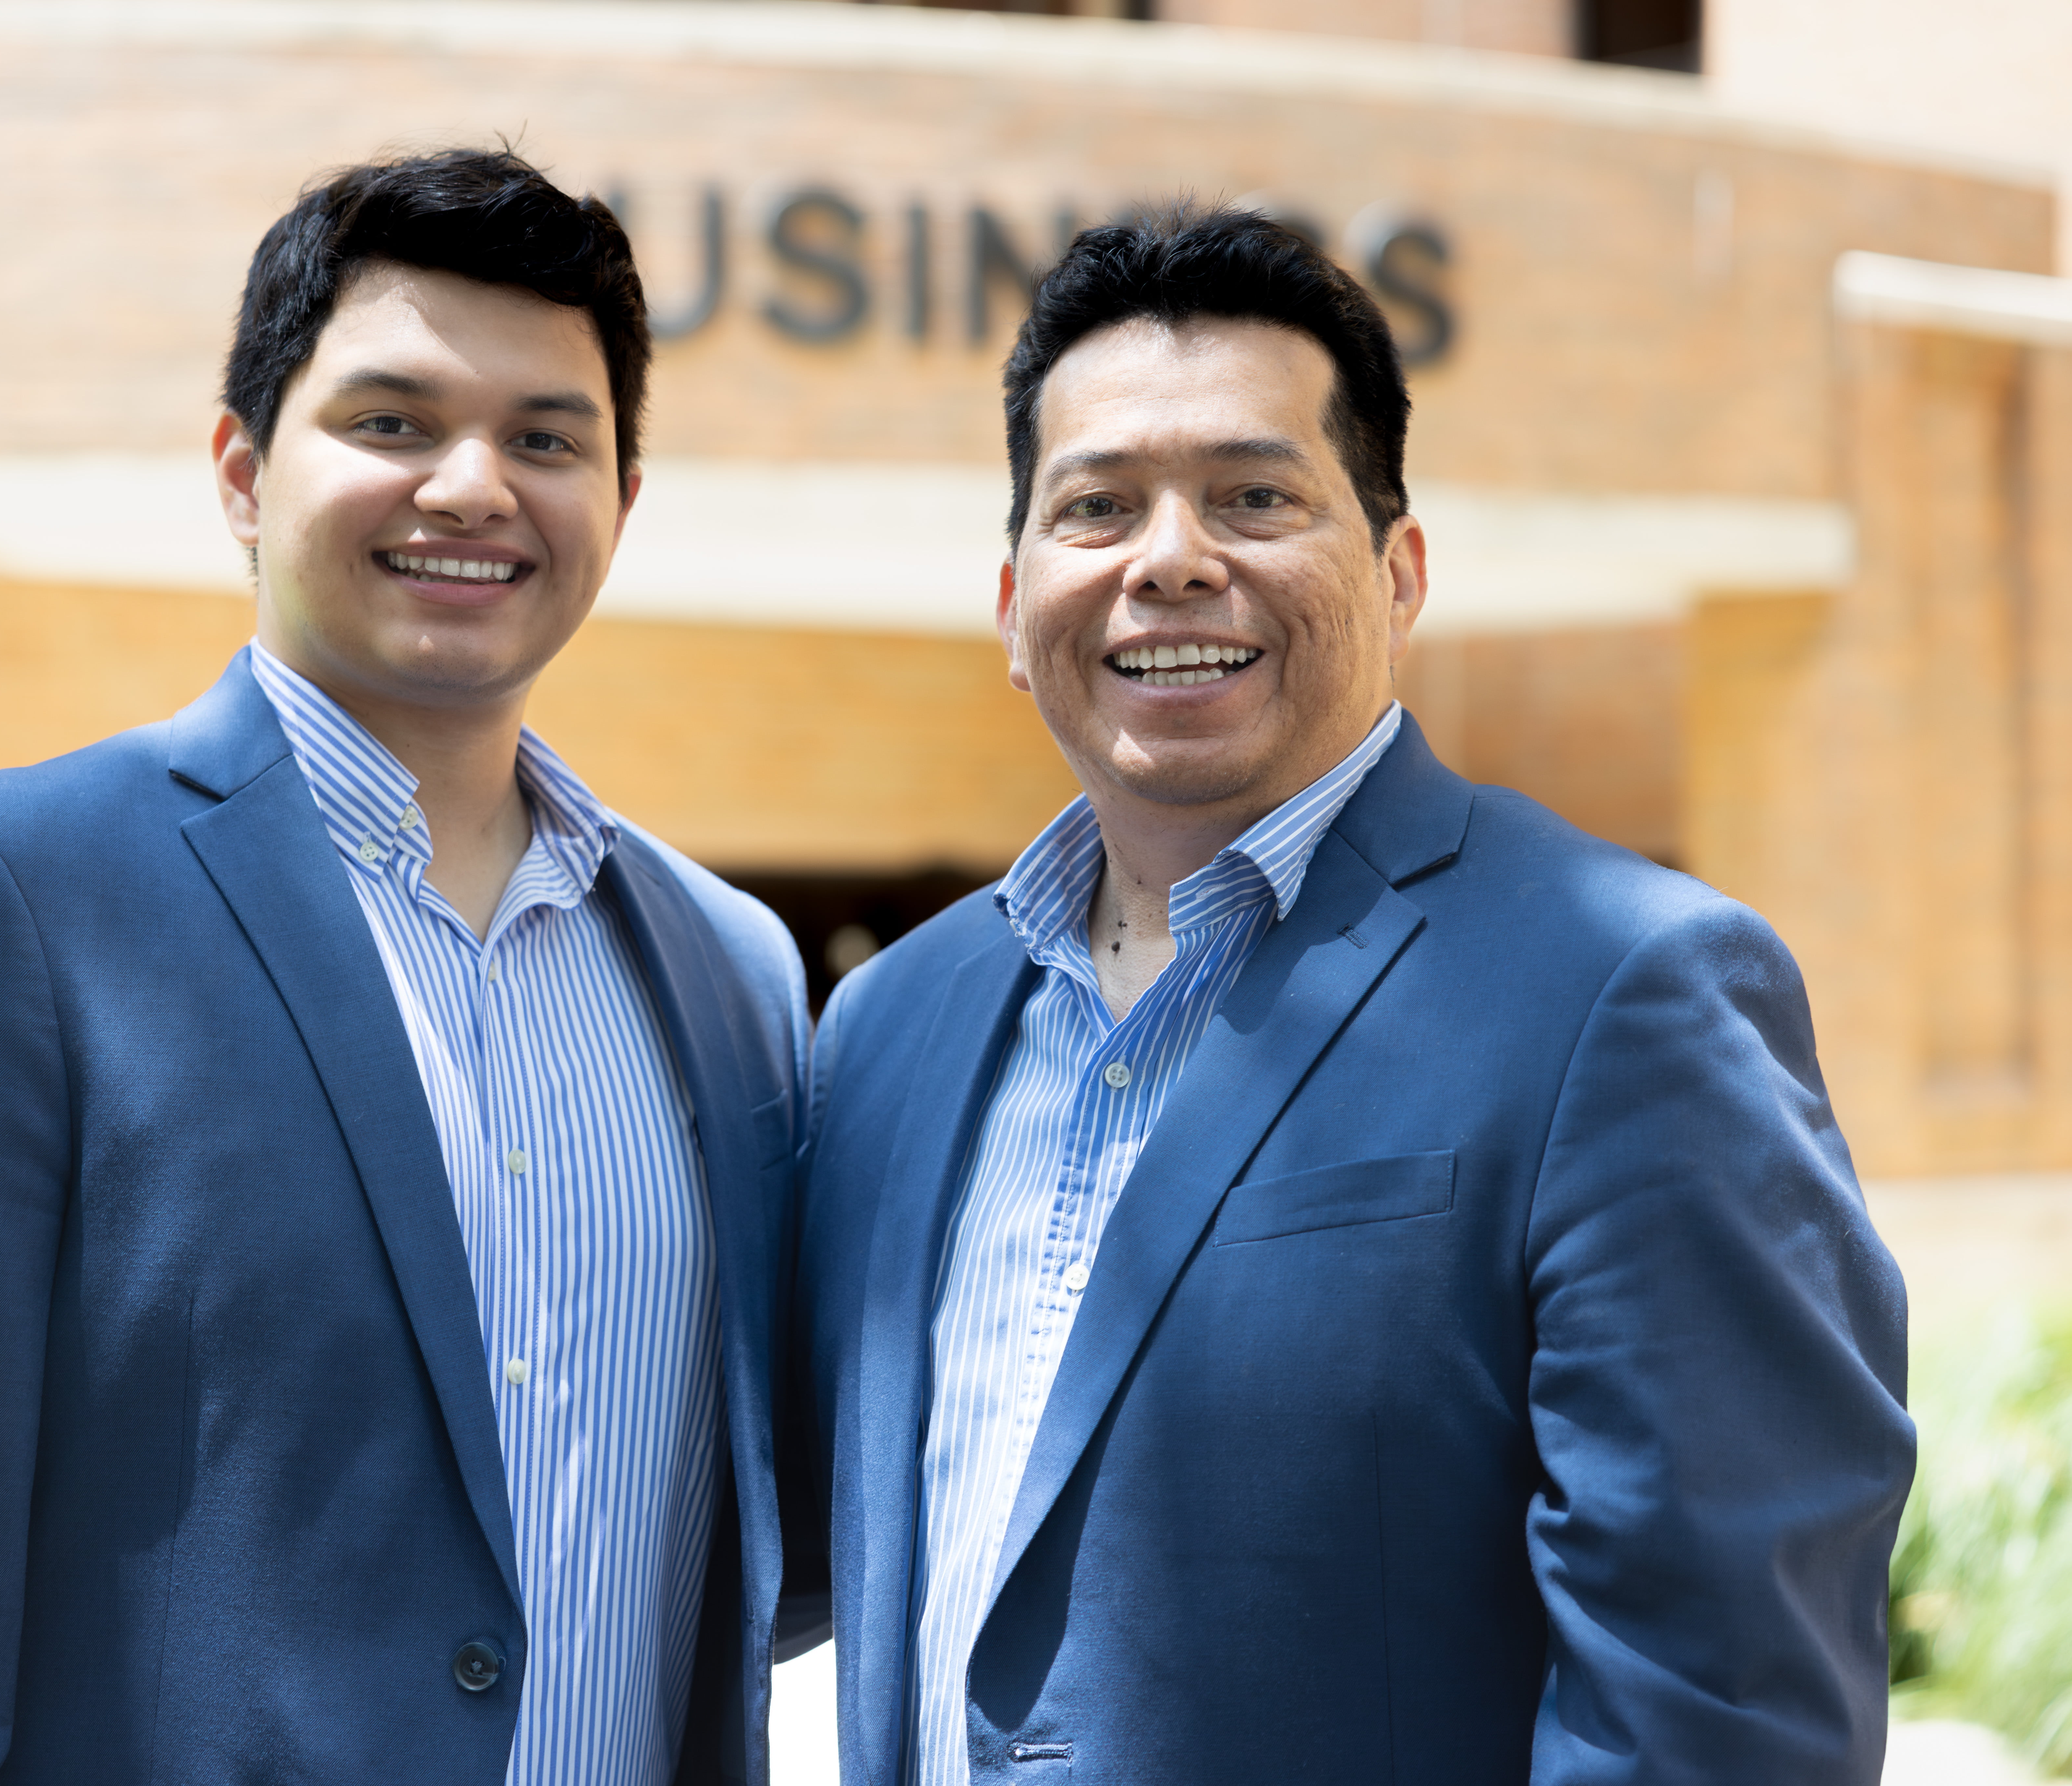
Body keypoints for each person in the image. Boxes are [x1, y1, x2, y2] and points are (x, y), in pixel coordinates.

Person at [0, 148, 808, 1786]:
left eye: (547, 438)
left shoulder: (734, 977)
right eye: (391, 422)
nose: (472, 485)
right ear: (240, 471)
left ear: (620, 510)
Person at [785, 206, 1912, 1784]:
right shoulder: (890, 1025)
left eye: (1252, 496)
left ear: (1397, 572)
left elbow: (1717, 1707)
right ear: (1010, 604)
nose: (1168, 559)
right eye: (1095, 507)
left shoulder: (1629, 992)